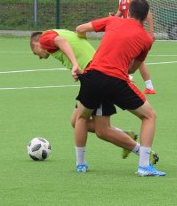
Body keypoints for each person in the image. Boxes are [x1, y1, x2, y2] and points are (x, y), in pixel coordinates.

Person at [29, 29, 157, 166]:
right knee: (77, 122)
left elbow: (62, 42)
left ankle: (142, 152)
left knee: (102, 130)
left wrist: (75, 64)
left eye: (35, 53)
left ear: (36, 44)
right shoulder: (62, 32)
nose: (39, 57)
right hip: (95, 76)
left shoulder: (45, 37)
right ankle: (124, 135)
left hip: (97, 78)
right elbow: (79, 36)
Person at [74, 0, 164, 176]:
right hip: (116, 82)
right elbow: (132, 68)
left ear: (128, 12)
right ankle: (144, 165)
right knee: (149, 116)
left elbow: (79, 29)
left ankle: (80, 164)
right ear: (146, 17)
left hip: (92, 77)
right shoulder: (147, 39)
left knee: (81, 119)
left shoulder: (113, 20)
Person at [112, 0, 157, 94]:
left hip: (135, 34)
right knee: (138, 60)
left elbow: (148, 14)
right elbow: (118, 15)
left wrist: (151, 32)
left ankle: (125, 79)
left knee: (124, 57)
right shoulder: (122, 0)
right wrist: (111, 18)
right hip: (126, 33)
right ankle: (149, 87)